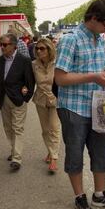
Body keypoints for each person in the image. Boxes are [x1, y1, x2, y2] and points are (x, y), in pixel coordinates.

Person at [54, 0, 105, 209]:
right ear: (93, 18)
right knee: (75, 153)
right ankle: (80, 196)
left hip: (100, 105)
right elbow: (60, 78)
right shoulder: (70, 40)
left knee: (103, 150)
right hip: (74, 107)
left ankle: (100, 194)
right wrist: (92, 77)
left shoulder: (99, 40)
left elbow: (103, 70)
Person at [0, 33, 35, 171]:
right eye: (1, 44)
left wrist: (25, 98)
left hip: (18, 100)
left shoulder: (24, 60)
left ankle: (17, 158)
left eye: (4, 45)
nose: (2, 47)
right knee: (8, 128)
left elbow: (30, 81)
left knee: (18, 128)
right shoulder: (0, 60)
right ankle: (13, 150)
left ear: (14, 45)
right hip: (4, 99)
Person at [31, 38, 61, 173]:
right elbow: (28, 80)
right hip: (40, 99)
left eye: (42, 48)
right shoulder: (33, 64)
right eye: (37, 48)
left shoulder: (57, 63)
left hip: (55, 99)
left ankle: (54, 158)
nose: (39, 51)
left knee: (54, 128)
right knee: (45, 130)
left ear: (49, 49)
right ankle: (50, 151)